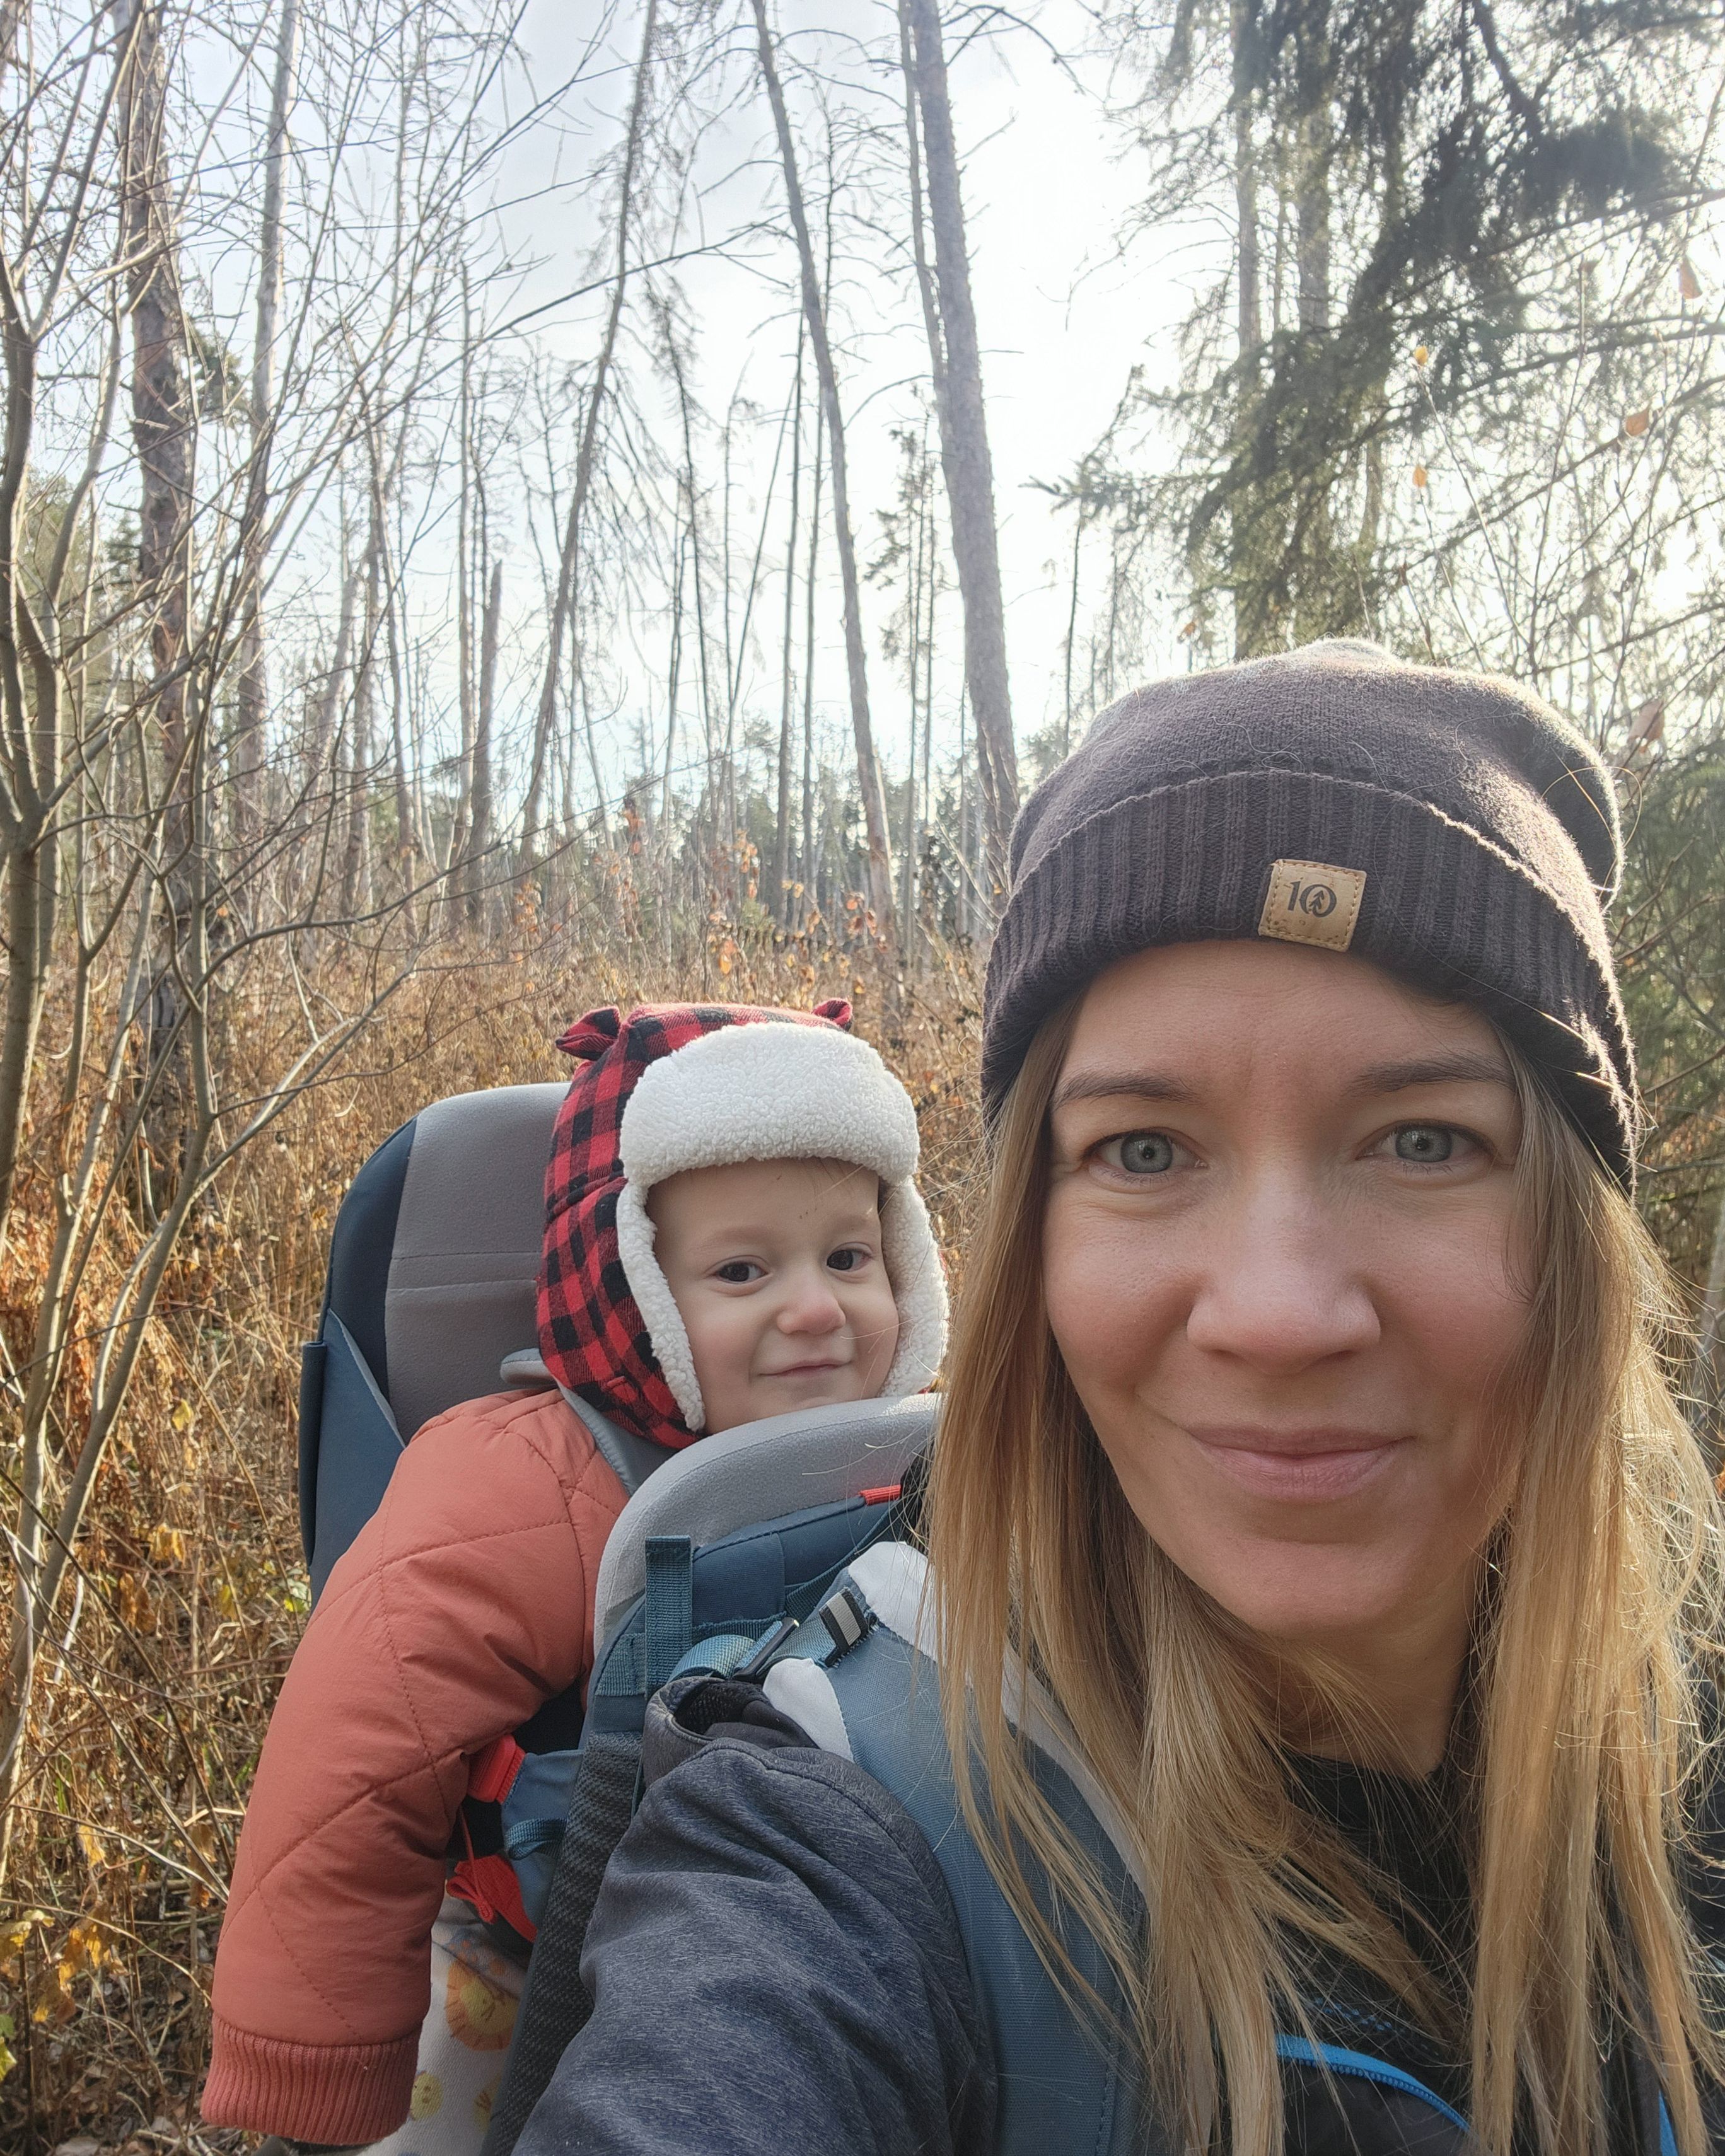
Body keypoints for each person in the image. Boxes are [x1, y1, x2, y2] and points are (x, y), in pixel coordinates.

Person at [516, 641, 1725, 2156]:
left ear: (1582, 1248)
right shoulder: (831, 1847)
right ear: (1031, 1247)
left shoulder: (1691, 1762)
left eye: (1424, 1141)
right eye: (1145, 1152)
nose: (1279, 1315)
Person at [200, 998, 949, 2151]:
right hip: (531, 1950)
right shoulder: (529, 1482)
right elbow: (352, 1763)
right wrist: (318, 2067)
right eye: (742, 1272)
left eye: (849, 1257)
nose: (815, 1307)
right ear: (636, 1292)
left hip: (844, 1957)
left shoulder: (927, 1459)